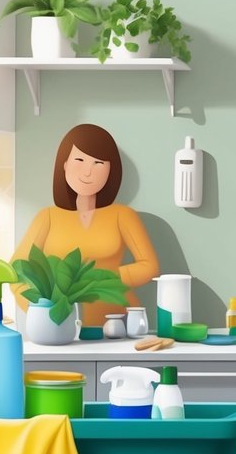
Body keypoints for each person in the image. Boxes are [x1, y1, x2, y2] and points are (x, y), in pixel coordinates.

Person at [12, 124, 159, 327]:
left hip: (118, 325)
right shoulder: (47, 217)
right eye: (79, 160)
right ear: (64, 164)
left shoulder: (122, 215)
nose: (87, 172)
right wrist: (37, 308)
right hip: (60, 329)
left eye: (98, 163)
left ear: (110, 170)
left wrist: (103, 278)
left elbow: (149, 266)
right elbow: (17, 270)